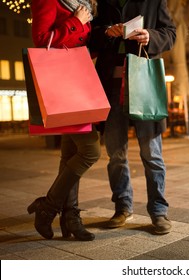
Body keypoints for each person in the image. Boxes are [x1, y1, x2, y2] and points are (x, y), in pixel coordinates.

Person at [90, 0, 176, 234]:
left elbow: (170, 33)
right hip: (110, 85)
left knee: (152, 153)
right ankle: (122, 206)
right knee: (115, 154)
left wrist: (150, 36)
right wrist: (108, 31)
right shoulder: (104, 2)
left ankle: (158, 210)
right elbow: (92, 37)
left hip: (143, 83)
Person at [27, 0, 100, 241]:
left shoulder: (84, 3)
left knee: (70, 155)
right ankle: (47, 207)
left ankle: (70, 217)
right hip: (63, 84)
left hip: (79, 80)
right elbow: (41, 40)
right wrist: (75, 22)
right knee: (90, 151)